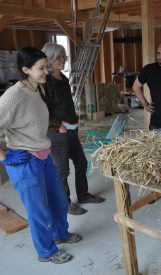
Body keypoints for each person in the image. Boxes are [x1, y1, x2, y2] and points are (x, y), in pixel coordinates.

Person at [0, 47, 81, 264]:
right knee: (38, 211)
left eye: (46, 66)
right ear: (25, 69)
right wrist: (4, 156)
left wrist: (62, 123)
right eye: (41, 68)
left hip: (44, 156)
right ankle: (46, 252)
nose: (47, 71)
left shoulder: (38, 89)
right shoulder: (13, 96)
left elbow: (39, 118)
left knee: (58, 201)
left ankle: (60, 233)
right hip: (24, 160)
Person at [41, 42, 105, 216]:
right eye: (58, 58)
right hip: (57, 133)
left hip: (72, 128)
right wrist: (58, 125)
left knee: (82, 162)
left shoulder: (62, 78)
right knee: (62, 171)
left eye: (64, 57)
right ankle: (66, 203)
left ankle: (83, 194)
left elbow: (66, 104)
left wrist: (74, 119)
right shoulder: (45, 82)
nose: (62, 60)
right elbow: (41, 110)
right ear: (48, 60)